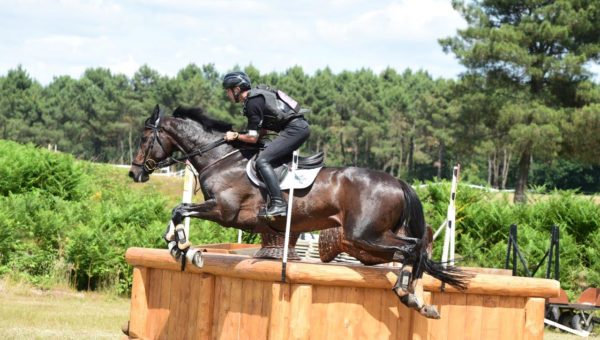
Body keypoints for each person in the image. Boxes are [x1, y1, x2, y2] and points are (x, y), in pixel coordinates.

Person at [222, 71, 310, 218]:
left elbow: (252, 138)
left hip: (295, 130)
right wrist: (244, 136)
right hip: (297, 128)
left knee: (262, 160)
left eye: (228, 91)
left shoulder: (251, 103)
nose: (227, 94)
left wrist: (236, 135)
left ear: (237, 89)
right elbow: (261, 130)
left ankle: (278, 204)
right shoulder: (255, 98)